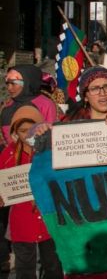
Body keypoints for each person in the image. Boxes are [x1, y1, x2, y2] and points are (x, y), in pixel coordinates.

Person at [0, 106, 64, 279]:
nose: (27, 134)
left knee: (52, 265)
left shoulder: (50, 152)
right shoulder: (8, 155)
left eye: (31, 129)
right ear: (14, 132)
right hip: (21, 222)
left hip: (49, 220)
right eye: (22, 131)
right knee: (25, 267)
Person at [1, 65, 57, 145]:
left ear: (28, 82)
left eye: (14, 83)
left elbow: (52, 134)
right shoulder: (7, 106)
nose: (9, 88)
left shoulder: (45, 104)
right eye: (8, 83)